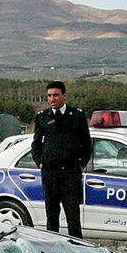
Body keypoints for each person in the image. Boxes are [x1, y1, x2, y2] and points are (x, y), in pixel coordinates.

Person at [31, 80, 91, 238]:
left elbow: (87, 145)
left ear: (64, 95)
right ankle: (52, 249)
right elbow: (36, 145)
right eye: (49, 96)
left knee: (72, 215)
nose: (52, 99)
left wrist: (80, 166)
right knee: (51, 215)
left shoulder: (76, 116)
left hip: (70, 173)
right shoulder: (42, 118)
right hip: (50, 173)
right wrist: (41, 164)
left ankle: (77, 250)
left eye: (56, 95)